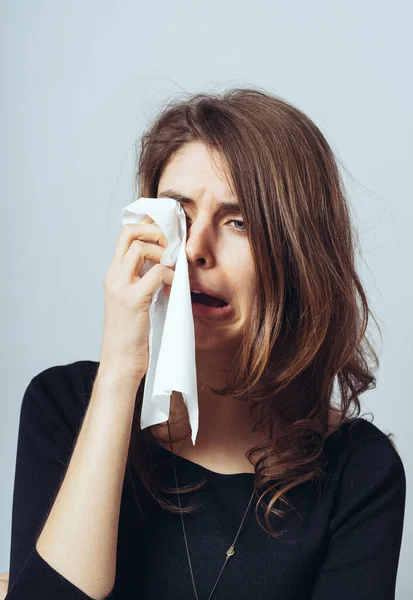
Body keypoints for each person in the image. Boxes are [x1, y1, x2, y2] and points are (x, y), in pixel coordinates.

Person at [4, 88, 406, 600]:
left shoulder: (360, 472)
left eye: (239, 223)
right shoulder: (64, 406)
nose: (196, 249)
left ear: (300, 254)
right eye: (179, 216)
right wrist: (120, 373)